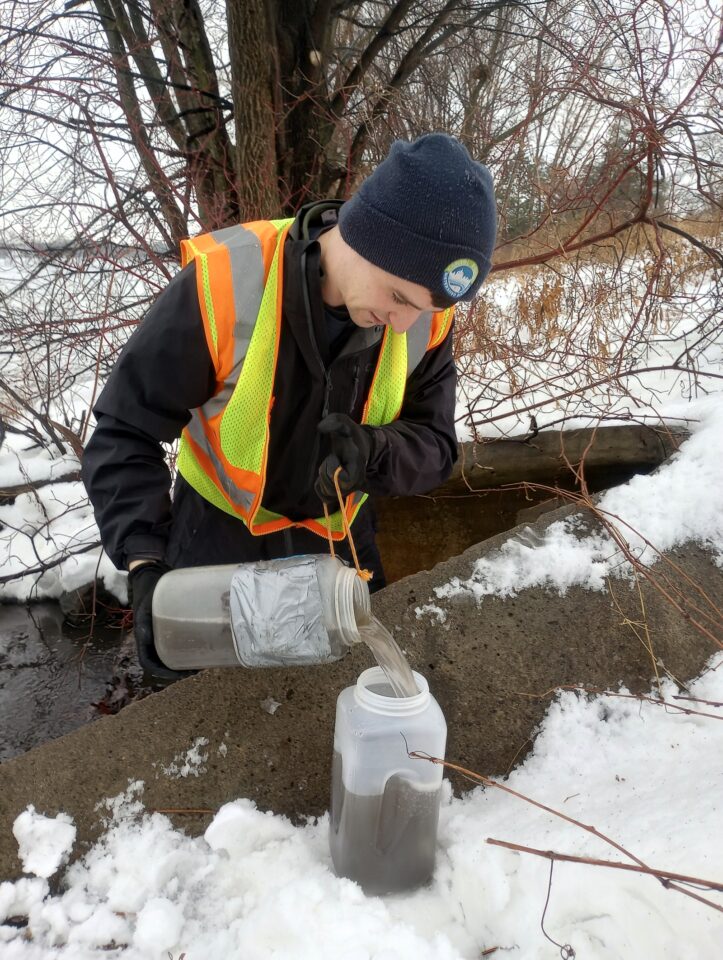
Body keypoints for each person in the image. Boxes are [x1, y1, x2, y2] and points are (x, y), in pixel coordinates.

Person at [81, 132, 497, 680]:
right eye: (398, 297)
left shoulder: (423, 320)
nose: (403, 323)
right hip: (214, 541)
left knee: (343, 692)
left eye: (421, 308)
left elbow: (437, 446)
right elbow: (123, 430)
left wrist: (374, 452)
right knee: (201, 706)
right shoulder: (227, 285)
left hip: (338, 543)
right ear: (364, 237)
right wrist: (144, 559)